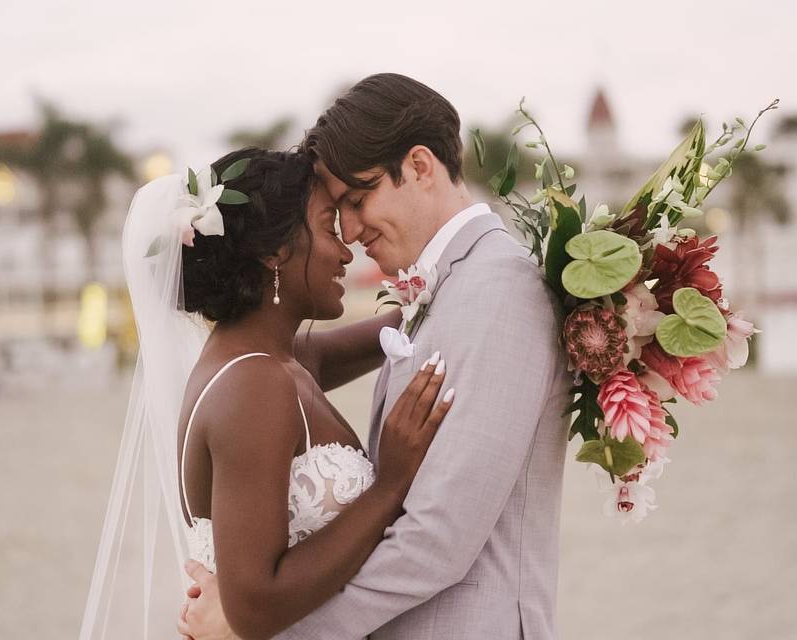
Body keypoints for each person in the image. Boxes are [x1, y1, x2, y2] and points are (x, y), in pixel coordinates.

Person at [181, 73, 570, 640]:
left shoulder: (499, 290)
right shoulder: (446, 291)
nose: (350, 232)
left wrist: (252, 630)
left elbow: (436, 541)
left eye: (357, 202)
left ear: (419, 166)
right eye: (335, 215)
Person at [79, 147, 455, 640]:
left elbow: (392, 326)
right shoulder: (254, 385)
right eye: (328, 227)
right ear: (274, 252)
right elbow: (254, 604)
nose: (347, 251)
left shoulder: (274, 359)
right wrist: (391, 486)